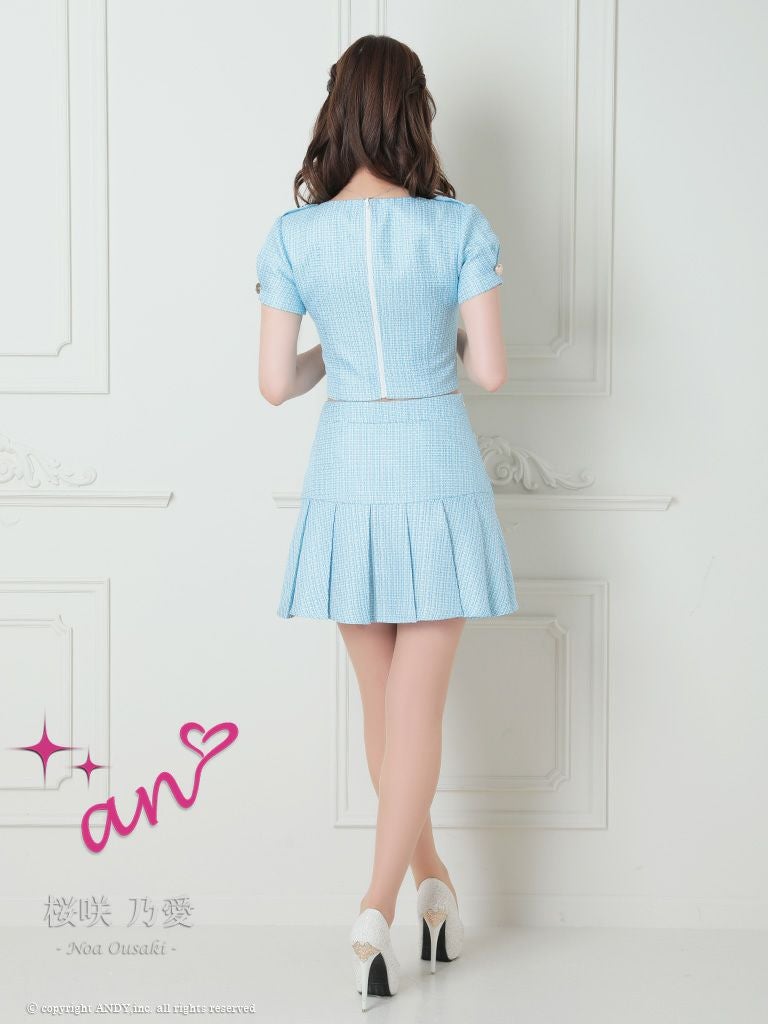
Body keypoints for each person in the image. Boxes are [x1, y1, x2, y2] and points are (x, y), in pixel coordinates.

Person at [256, 33, 519, 1011]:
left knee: (384, 709)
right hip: (435, 468)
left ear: (337, 111)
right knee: (416, 713)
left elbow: (276, 383)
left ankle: (423, 888)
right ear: (415, 112)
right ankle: (385, 903)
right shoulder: (458, 229)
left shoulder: (295, 238)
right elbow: (489, 370)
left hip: (347, 473)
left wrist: (340, 353)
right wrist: (433, 335)